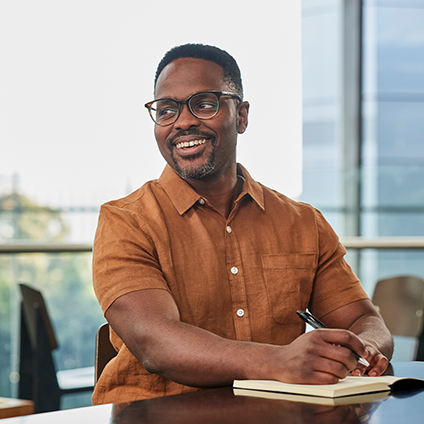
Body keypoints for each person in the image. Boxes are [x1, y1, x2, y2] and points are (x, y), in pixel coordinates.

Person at [92, 43, 393, 405]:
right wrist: (278, 360)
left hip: (282, 415)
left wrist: (366, 351)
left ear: (242, 116)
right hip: (155, 415)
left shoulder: (303, 222)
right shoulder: (126, 221)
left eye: (204, 104)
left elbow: (363, 318)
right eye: (167, 110)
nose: (183, 121)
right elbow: (155, 343)